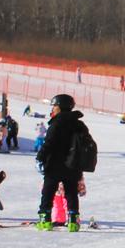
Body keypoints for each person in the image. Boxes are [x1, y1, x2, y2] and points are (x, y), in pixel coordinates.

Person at [36, 94, 94, 232]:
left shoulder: (56, 123)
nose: (53, 109)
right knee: (71, 193)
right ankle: (73, 221)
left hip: (54, 165)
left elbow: (48, 144)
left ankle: (45, 220)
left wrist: (40, 157)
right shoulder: (79, 124)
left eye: (54, 106)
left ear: (60, 107)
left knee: (48, 192)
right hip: (73, 165)